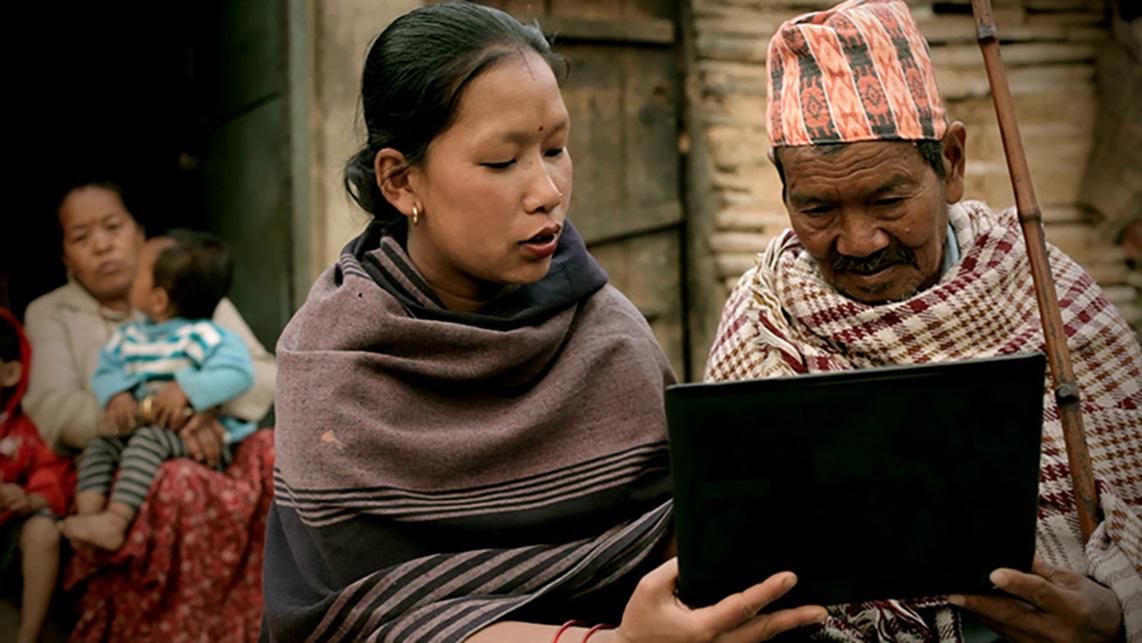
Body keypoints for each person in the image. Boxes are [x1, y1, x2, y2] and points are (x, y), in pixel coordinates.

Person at [261, 4, 828, 642]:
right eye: (503, 162)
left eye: (555, 148)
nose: (547, 190)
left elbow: (684, 543)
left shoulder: (607, 333)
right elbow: (367, 619)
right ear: (400, 180)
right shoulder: (332, 367)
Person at [704, 0, 1142, 641]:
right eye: (818, 208)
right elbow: (734, 560)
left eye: (888, 199)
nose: (857, 242)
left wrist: (1115, 617)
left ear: (952, 163)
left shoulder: (1046, 296)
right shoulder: (764, 320)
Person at [22, 181, 276, 461]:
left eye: (113, 226)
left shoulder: (191, 291)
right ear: (65, 257)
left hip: (207, 455)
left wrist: (199, 400)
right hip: (114, 467)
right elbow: (56, 410)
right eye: (81, 237)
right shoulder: (49, 312)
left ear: (140, 234)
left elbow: (264, 374)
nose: (101, 246)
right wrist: (159, 418)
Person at [59, 230, 256, 552]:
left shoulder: (206, 335)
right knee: (101, 446)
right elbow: (106, 370)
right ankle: (89, 516)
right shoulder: (129, 336)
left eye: (139, 273)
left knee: (145, 443)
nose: (131, 276)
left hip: (186, 437)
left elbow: (238, 372)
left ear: (159, 299)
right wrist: (117, 395)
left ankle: (114, 521)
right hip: (143, 428)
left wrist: (186, 389)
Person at [0, 308, 74, 643]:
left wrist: (29, 499)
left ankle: (29, 633)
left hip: (13, 534)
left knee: (44, 530)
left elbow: (51, 471)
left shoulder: (27, 427)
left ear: (11, 372)